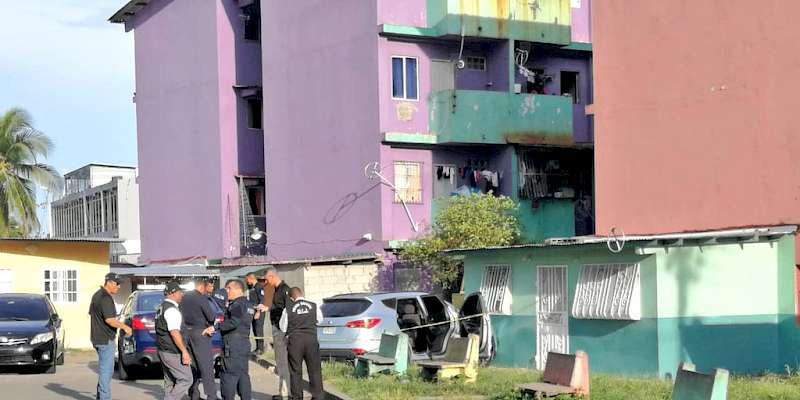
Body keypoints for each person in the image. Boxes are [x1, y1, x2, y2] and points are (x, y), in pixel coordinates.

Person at [88, 272, 132, 400]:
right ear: (109, 283)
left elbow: (95, 316)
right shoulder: (105, 298)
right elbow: (110, 320)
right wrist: (125, 327)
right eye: (117, 284)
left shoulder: (96, 295)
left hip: (97, 338)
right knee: (106, 372)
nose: (119, 287)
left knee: (104, 371)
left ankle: (100, 397)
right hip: (105, 339)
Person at [280, 287, 324, 400]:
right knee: (315, 370)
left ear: (291, 298)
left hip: (295, 342)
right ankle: (318, 396)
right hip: (311, 340)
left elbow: (283, 327)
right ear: (302, 294)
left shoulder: (288, 309)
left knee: (295, 371)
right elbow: (320, 320)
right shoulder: (314, 305)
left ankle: (297, 397)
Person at [181, 277, 218, 400]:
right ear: (201, 287)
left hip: (186, 333)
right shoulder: (201, 298)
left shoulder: (184, 297)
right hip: (200, 333)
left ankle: (194, 394)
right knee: (206, 366)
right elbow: (211, 316)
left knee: (192, 366)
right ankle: (211, 395)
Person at [217, 279, 254, 400]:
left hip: (233, 344)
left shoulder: (237, 304)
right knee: (243, 375)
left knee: (228, 375)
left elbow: (234, 322)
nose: (226, 291)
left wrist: (216, 327)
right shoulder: (248, 304)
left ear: (237, 289)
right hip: (244, 343)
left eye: (228, 288)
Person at [156, 282, 193, 400]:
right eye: (180, 292)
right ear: (173, 293)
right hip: (172, 351)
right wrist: (184, 351)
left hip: (163, 349)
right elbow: (174, 332)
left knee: (170, 380)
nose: (181, 295)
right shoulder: (171, 310)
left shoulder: (161, 307)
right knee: (186, 379)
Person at [259, 267, 291, 399]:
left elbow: (287, 310)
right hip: (277, 328)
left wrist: (268, 308)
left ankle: (286, 392)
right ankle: (282, 391)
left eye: (267, 279)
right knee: (280, 361)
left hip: (282, 330)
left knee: (283, 362)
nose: (266, 282)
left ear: (272, 276)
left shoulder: (284, 289)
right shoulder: (277, 289)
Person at [245, 272, 266, 355]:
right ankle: (257, 348)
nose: (246, 281)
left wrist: (258, 312)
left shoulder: (259, 287)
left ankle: (260, 349)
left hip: (259, 312)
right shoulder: (251, 288)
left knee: (258, 329)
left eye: (247, 279)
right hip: (253, 311)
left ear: (251, 278)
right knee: (254, 330)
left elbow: (262, 300)